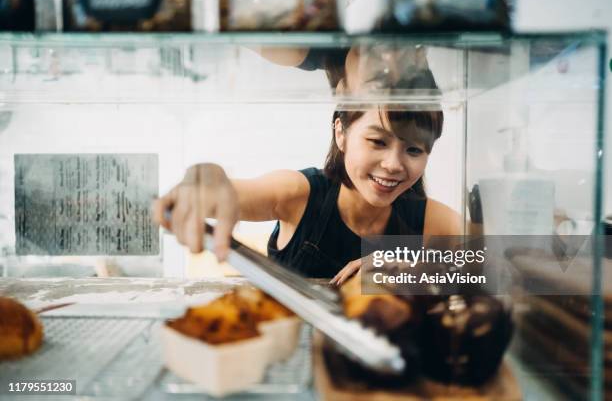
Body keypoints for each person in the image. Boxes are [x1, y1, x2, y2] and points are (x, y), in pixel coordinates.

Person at [152, 48, 460, 284]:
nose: (394, 164)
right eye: (377, 142)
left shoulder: (428, 219)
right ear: (341, 133)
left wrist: (418, 270)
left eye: (414, 149)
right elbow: (231, 192)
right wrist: (208, 180)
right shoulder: (300, 194)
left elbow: (502, 265)